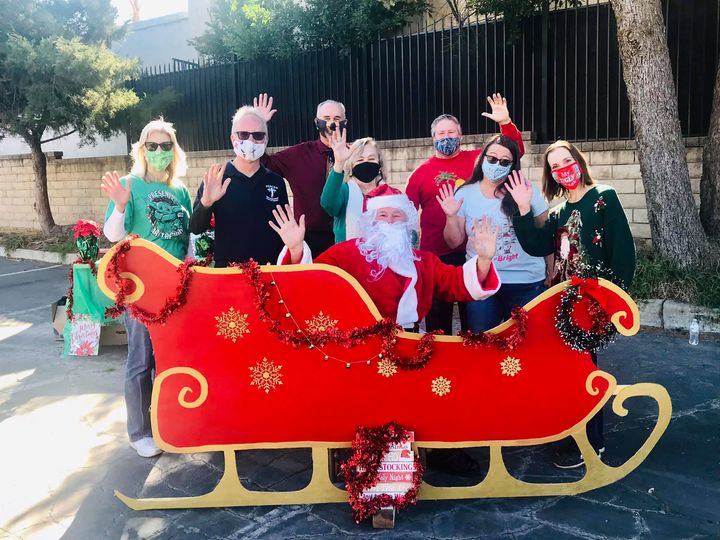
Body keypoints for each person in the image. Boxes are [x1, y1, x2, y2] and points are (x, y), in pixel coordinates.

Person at [505, 139, 636, 469]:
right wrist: (522, 209)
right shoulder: (558, 211)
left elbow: (622, 252)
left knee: (585, 372)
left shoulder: (604, 198)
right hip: (563, 302)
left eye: (567, 160)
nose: (563, 168)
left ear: (579, 160)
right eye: (555, 165)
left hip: (593, 303)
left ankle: (592, 442)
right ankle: (569, 433)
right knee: (565, 371)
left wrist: (612, 301)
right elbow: (536, 245)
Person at [269, 185, 501, 329]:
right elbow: (314, 280)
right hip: (360, 341)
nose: (389, 221)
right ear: (371, 220)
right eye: (382, 215)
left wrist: (484, 260)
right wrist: (296, 248)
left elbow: (456, 283)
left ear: (407, 222)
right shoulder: (347, 253)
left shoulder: (423, 261)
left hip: (408, 341)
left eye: (396, 215)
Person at [101, 118, 192, 458]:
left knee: (169, 360)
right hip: (140, 288)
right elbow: (112, 234)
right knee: (141, 360)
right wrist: (121, 205)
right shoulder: (129, 184)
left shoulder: (180, 190)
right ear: (141, 150)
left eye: (165, 146)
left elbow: (185, 239)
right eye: (151, 146)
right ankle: (139, 431)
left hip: (175, 289)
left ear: (174, 151)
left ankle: (168, 425)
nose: (158, 152)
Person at [405, 94, 526, 336]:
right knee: (438, 324)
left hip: (474, 254)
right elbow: (407, 214)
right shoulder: (420, 173)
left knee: (474, 323)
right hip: (437, 257)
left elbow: (514, 151)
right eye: (441, 133)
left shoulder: (477, 160)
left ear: (460, 136)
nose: (447, 137)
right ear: (433, 138)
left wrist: (506, 123)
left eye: (451, 132)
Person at [438, 134, 553, 331]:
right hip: (484, 282)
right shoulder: (465, 193)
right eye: (491, 158)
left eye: (504, 161)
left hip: (527, 282)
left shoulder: (526, 190)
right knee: (482, 345)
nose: (496, 164)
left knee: (528, 344)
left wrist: (551, 270)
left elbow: (545, 235)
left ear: (512, 165)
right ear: (482, 158)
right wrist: (450, 216)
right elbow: (453, 241)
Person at [190, 105, 289, 267]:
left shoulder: (276, 182)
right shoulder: (216, 178)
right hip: (228, 275)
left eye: (257, 135)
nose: (250, 141)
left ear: (266, 140)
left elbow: (284, 230)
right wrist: (206, 203)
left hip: (267, 274)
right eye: (243, 134)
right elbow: (196, 228)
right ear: (233, 139)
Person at [254, 93, 345, 255]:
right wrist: (259, 125)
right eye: (327, 117)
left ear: (345, 123)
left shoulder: (356, 156)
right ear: (317, 122)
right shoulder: (299, 155)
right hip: (308, 241)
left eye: (337, 118)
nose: (332, 123)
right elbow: (264, 162)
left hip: (345, 237)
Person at [320, 128, 385, 243]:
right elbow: (327, 203)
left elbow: (407, 229)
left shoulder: (391, 194)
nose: (366, 163)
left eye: (371, 158)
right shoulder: (344, 191)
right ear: (351, 165)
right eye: (360, 160)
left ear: (380, 163)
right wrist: (339, 163)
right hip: (348, 257)